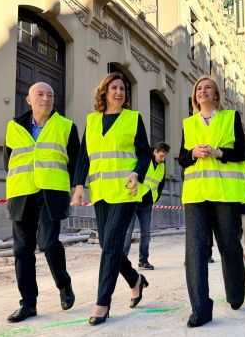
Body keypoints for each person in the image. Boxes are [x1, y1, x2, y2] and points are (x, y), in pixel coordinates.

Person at [71, 73, 152, 326]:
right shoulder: (92, 121)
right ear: (104, 91)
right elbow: (84, 155)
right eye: (114, 87)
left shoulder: (133, 118)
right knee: (108, 244)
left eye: (122, 88)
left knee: (110, 247)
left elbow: (145, 154)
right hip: (101, 192)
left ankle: (102, 302)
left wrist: (137, 173)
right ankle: (135, 280)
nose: (119, 92)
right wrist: (79, 185)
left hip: (126, 193)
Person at [3, 82, 79, 322]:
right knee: (22, 249)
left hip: (51, 192)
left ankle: (64, 285)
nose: (45, 98)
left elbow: (75, 161)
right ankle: (28, 304)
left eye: (50, 95)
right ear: (29, 99)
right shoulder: (13, 127)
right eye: (40, 94)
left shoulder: (66, 126)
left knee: (47, 243)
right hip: (21, 192)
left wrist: (78, 188)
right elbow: (8, 160)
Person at [179, 75, 245, 328]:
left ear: (216, 94)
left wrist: (219, 153)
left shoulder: (231, 118)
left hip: (225, 194)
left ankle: (235, 292)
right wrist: (193, 154)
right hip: (196, 195)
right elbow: (181, 158)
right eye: (198, 88)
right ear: (194, 95)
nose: (202, 91)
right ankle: (200, 308)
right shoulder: (188, 123)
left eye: (208, 87)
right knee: (195, 251)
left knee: (229, 246)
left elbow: (243, 152)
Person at [123, 141, 170, 270]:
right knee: (128, 232)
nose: (163, 159)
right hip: (134, 199)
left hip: (147, 204)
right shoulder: (144, 159)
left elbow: (161, 183)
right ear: (155, 151)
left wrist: (156, 197)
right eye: (161, 155)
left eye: (165, 156)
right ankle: (122, 261)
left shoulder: (162, 166)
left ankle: (143, 260)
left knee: (146, 233)